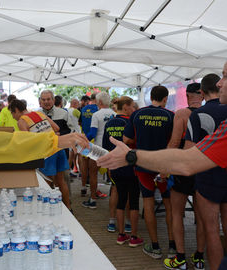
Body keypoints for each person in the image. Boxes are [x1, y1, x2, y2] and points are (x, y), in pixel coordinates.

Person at [97, 61, 227, 270]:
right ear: (165, 98)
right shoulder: (173, 115)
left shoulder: (177, 115)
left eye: (226, 76)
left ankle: (165, 249)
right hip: (200, 171)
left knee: (166, 209)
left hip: (167, 170)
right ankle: (196, 255)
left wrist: (136, 158)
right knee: (199, 220)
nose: (221, 83)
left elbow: (178, 149)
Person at [0, 65, 89, 223]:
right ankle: (67, 208)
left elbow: (10, 142)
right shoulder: (38, 114)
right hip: (53, 149)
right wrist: (58, 140)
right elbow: (8, 143)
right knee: (59, 181)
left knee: (49, 182)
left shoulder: (21, 121)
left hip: (48, 150)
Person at [123, 85, 175, 259]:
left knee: (149, 205)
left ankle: (155, 247)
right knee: (169, 207)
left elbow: (126, 139)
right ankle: (173, 246)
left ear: (150, 97)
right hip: (165, 166)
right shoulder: (170, 115)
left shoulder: (137, 114)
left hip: (143, 165)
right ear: (165, 99)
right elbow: (175, 142)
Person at [183, 73, 227, 270]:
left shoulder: (197, 114)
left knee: (211, 231)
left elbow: (188, 151)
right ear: (218, 88)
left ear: (201, 92)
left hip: (208, 176)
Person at [163, 83, 205, 270]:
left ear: (187, 96)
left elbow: (173, 142)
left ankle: (180, 258)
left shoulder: (181, 114)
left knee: (176, 213)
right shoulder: (210, 113)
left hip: (183, 167)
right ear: (202, 96)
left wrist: (164, 165)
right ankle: (199, 257)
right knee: (202, 216)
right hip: (205, 166)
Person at [102, 96, 143, 247]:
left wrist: (108, 166)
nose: (133, 109)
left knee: (120, 200)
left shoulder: (110, 123)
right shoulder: (130, 122)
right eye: (132, 106)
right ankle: (133, 236)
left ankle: (120, 235)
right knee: (133, 202)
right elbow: (134, 142)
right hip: (131, 166)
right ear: (125, 107)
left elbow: (106, 147)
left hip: (115, 166)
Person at [38, 90, 73, 209]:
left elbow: (72, 130)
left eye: (48, 99)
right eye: (44, 99)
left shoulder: (63, 113)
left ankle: (67, 207)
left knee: (61, 181)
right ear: (40, 101)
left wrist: (60, 136)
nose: (46, 102)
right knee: (46, 181)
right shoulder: (36, 115)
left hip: (60, 151)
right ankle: (49, 208)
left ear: (53, 100)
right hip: (44, 154)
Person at [82, 92, 116, 209]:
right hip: (112, 148)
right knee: (112, 175)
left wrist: (83, 141)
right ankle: (115, 198)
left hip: (98, 147)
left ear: (100, 102)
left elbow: (92, 133)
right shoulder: (115, 114)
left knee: (93, 173)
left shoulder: (96, 114)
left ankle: (93, 199)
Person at [79, 93, 98, 197]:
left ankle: (83, 187)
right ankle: (93, 194)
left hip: (85, 140)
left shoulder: (84, 109)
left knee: (84, 165)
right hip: (94, 141)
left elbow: (80, 123)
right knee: (93, 171)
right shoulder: (98, 110)